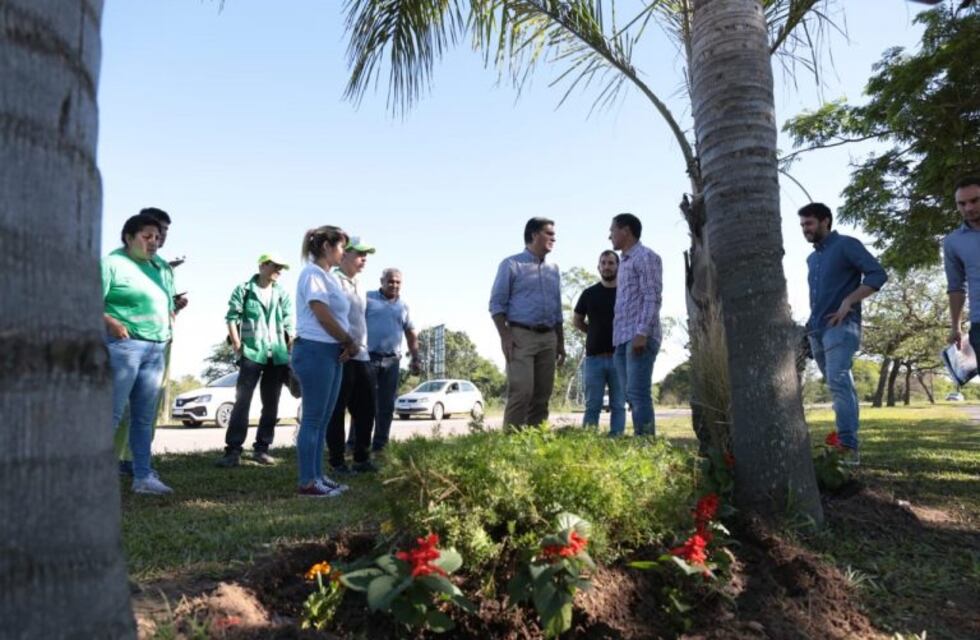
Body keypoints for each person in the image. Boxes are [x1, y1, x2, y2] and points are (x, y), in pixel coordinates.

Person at [800, 202, 887, 465]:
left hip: (841, 326)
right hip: (816, 329)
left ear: (825, 221)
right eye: (802, 225)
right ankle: (846, 444)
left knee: (838, 382)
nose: (805, 229)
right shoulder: (812, 259)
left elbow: (877, 274)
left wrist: (849, 301)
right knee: (837, 385)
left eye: (809, 223)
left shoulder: (847, 245)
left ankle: (848, 447)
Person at [103, 213, 176, 494]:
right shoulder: (112, 263)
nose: (154, 242)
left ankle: (143, 477)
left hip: (155, 349)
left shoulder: (159, 267)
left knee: (144, 418)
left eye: (157, 237)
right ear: (129, 237)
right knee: (110, 415)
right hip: (124, 348)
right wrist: (111, 322)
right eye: (147, 237)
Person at [115, 207, 187, 476]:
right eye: (156, 231)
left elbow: (163, 306)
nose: (160, 236)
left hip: (160, 342)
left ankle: (137, 462)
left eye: (164, 231)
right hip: (128, 343)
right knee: (120, 406)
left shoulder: (164, 268)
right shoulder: (120, 262)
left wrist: (176, 306)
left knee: (149, 406)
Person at [291, 226, 359, 497]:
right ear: (326, 247)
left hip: (331, 351)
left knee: (323, 420)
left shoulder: (328, 277)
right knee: (313, 419)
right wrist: (348, 340)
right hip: (314, 350)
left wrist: (344, 344)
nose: (344, 253)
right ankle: (308, 481)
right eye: (341, 247)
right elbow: (321, 314)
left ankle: (317, 475)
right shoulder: (312, 274)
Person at [215, 253, 294, 468]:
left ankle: (262, 449)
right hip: (251, 353)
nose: (279, 271)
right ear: (262, 266)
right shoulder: (244, 290)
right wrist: (237, 344)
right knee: (242, 402)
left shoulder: (281, 293)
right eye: (275, 266)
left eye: (281, 268)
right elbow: (232, 317)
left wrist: (289, 345)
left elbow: (289, 323)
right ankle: (233, 451)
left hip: (276, 355)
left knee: (271, 403)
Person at [490, 217, 566, 430]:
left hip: (549, 337)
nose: (554, 238)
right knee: (522, 391)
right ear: (534, 235)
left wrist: (560, 342)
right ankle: (511, 441)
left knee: (543, 395)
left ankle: (535, 440)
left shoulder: (554, 269)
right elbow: (496, 304)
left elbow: (557, 309)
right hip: (520, 337)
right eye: (549, 234)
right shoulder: (511, 264)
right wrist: (505, 336)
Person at [327, 238, 380, 472]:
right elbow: (327, 316)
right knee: (337, 410)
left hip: (362, 355)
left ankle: (361, 458)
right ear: (345, 254)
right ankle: (337, 461)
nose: (364, 258)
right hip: (341, 354)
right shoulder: (333, 281)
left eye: (366, 254)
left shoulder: (359, 283)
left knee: (366, 409)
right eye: (360, 253)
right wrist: (343, 344)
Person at [609, 213, 661, 436]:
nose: (609, 235)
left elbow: (652, 296)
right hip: (621, 338)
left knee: (638, 394)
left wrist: (642, 332)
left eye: (612, 230)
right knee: (630, 395)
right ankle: (642, 439)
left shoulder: (645, 257)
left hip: (638, 336)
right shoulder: (624, 262)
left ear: (626, 231)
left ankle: (646, 443)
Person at [363, 268, 420, 452]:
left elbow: (410, 333)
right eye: (390, 281)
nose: (394, 285)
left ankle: (380, 446)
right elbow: (353, 322)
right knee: (363, 404)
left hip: (392, 361)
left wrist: (415, 358)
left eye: (398, 282)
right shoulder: (367, 298)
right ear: (382, 281)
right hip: (368, 358)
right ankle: (357, 445)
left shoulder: (403, 307)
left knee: (386, 406)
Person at [573, 250, 626, 434]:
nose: (607, 266)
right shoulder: (589, 294)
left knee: (618, 405)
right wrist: (593, 332)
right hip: (594, 359)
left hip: (619, 358)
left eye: (611, 263)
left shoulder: (625, 293)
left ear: (618, 266)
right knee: (592, 405)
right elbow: (577, 320)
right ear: (598, 267)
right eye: (603, 263)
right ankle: (589, 440)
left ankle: (616, 439)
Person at [944, 176, 980, 357]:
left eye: (975, 200)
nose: (969, 208)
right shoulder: (953, 242)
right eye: (962, 203)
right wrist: (956, 327)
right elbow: (956, 287)